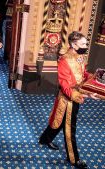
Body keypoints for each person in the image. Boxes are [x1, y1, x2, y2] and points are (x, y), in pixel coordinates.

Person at [39, 31, 98, 169]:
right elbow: (64, 85)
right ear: (73, 44)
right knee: (70, 129)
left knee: (59, 122)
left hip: (77, 95)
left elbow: (82, 74)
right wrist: (83, 96)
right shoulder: (64, 60)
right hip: (68, 100)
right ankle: (74, 159)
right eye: (83, 43)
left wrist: (93, 77)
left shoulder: (80, 56)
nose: (85, 46)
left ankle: (44, 139)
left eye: (85, 43)